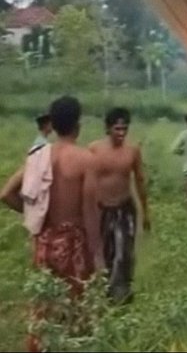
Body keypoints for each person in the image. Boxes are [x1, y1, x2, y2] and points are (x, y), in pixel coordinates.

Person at [0, 96, 98, 353]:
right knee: (77, 305)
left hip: (44, 240)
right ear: (78, 124)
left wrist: (33, 213)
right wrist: (97, 253)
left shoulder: (37, 157)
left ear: (52, 125)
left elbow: (6, 193)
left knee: (45, 304)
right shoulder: (86, 159)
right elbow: (89, 212)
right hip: (74, 242)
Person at [89, 107, 149, 302]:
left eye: (125, 129)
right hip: (101, 209)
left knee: (124, 251)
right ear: (108, 128)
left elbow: (140, 181)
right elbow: (85, 181)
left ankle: (122, 292)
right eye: (117, 129)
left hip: (124, 208)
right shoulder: (94, 149)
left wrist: (146, 212)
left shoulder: (132, 151)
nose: (121, 133)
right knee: (105, 252)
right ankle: (104, 291)